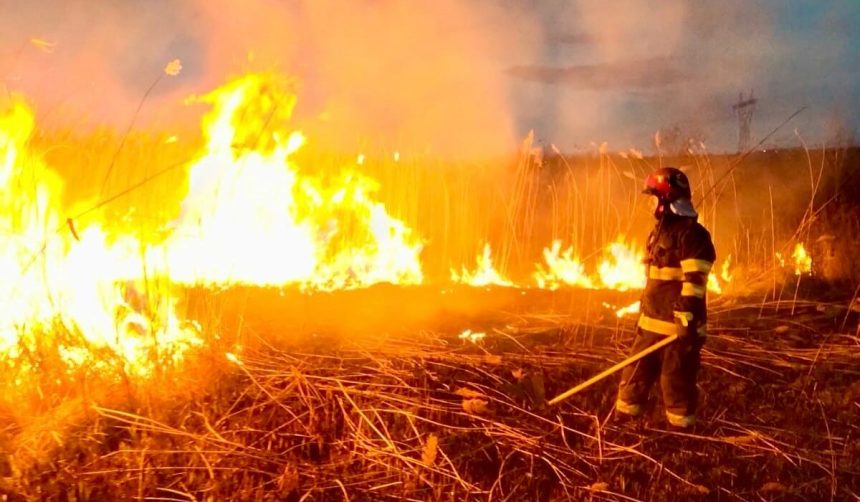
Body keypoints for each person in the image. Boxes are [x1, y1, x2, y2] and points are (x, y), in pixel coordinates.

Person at [615, 167, 716, 428]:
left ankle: (682, 433)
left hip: (679, 327)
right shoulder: (658, 233)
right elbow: (654, 281)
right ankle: (624, 424)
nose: (650, 204)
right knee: (635, 374)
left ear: (666, 201)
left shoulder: (695, 236)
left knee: (676, 379)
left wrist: (685, 319)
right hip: (651, 323)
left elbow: (695, 284)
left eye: (654, 198)